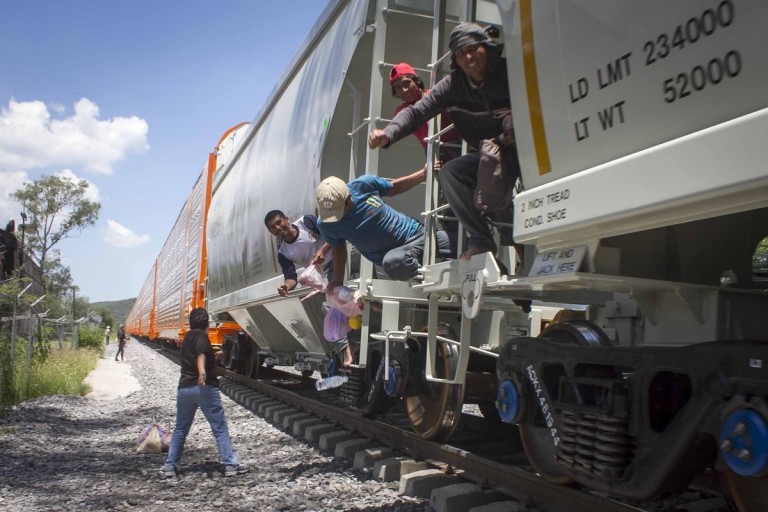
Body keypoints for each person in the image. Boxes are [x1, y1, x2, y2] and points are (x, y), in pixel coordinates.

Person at [369, 22, 519, 263]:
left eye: (473, 48)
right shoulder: (452, 87)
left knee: (490, 174)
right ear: (455, 60)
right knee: (453, 173)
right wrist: (388, 133)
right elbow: (415, 113)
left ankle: (520, 248)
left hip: (527, 146)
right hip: (487, 152)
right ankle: (482, 241)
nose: (468, 56)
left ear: (486, 47)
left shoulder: (508, 72)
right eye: (461, 52)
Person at [315, 167, 451, 291]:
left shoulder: (363, 185)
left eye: (337, 211)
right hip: (394, 257)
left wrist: (423, 173)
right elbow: (338, 248)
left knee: (462, 245)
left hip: (416, 234)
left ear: (349, 199)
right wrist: (337, 280)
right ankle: (429, 279)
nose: (334, 217)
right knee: (393, 263)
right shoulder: (326, 224)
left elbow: (394, 188)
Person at [160, 307, 248, 478]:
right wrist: (202, 372)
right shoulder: (201, 336)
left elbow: (197, 354)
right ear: (206, 323)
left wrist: (211, 358)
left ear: (191, 323)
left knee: (180, 429)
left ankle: (170, 466)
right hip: (204, 387)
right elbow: (200, 354)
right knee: (219, 427)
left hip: (185, 388)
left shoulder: (187, 337)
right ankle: (231, 464)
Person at [264, 210, 332, 297]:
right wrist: (286, 286)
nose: (277, 227)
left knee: (333, 299)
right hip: (319, 277)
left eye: (279, 222)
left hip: (337, 259)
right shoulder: (283, 253)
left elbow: (333, 234)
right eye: (273, 227)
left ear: (287, 219)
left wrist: (323, 250)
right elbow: (291, 278)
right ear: (271, 232)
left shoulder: (306, 222)